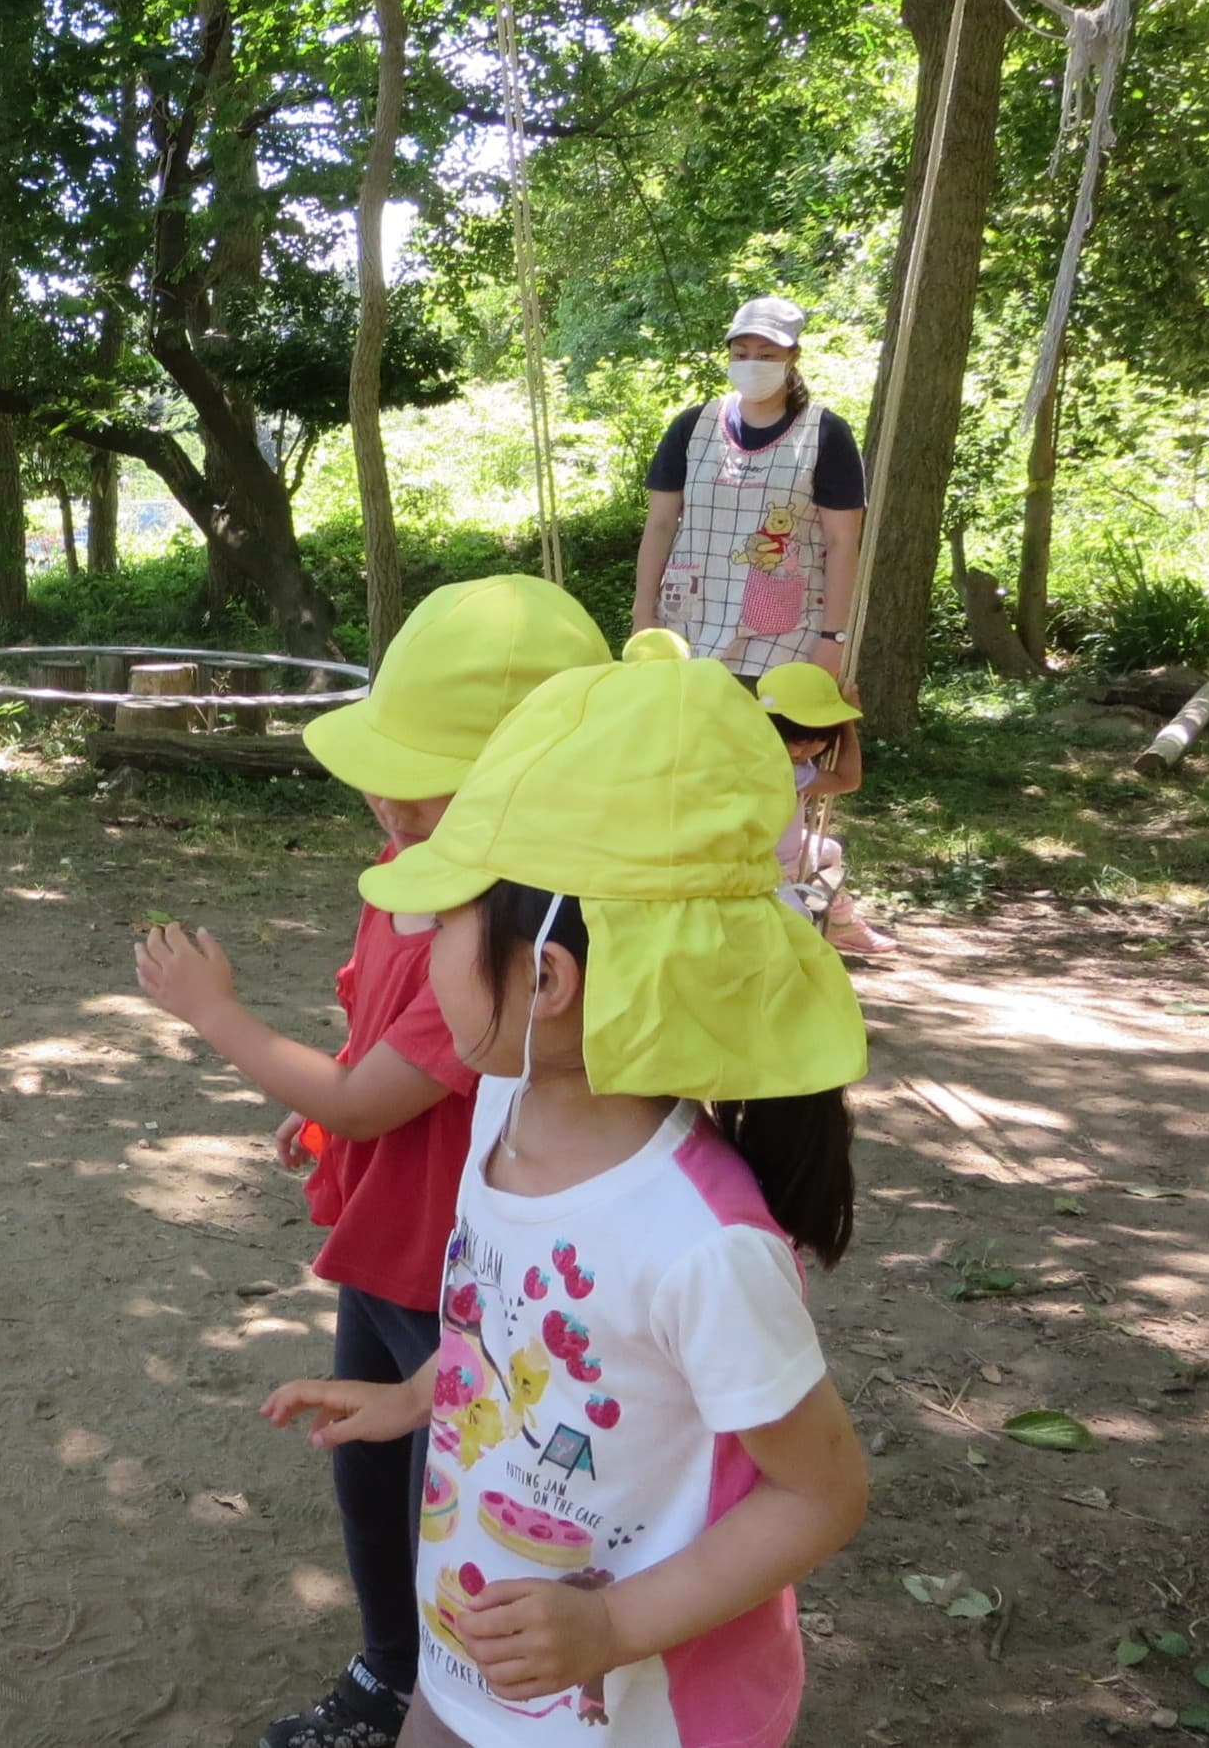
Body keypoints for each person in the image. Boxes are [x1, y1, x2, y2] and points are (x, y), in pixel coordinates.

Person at [265, 631, 872, 1747]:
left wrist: (612, 1625)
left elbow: (819, 1493)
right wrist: (418, 1395)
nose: (421, 946)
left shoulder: (701, 1245)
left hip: (630, 1711)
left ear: (545, 975)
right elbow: (510, 1322)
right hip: (472, 1655)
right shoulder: (501, 1114)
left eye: (444, 921)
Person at [134, 576, 611, 1748]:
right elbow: (363, 1060)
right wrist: (320, 1116)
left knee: (444, 1490)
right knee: (366, 1469)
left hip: (460, 1268)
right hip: (389, 1242)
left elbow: (364, 1094)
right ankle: (389, 1666)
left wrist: (217, 1015)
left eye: (421, 779)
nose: (387, 799)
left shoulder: (505, 950)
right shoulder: (409, 878)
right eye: (381, 767)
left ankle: (447, 1694)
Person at [634, 295, 866, 682]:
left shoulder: (825, 433)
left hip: (783, 639)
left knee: (766, 721)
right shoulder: (692, 427)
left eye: (766, 355)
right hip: (685, 628)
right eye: (741, 354)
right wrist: (643, 614)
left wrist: (835, 638)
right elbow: (660, 524)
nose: (751, 364)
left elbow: (842, 543)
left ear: (793, 357)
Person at [757, 662, 894, 959]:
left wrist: (840, 718)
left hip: (790, 856)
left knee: (829, 850)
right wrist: (848, 722)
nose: (807, 751)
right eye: (798, 741)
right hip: (767, 870)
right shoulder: (774, 766)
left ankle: (840, 923)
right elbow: (847, 780)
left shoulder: (788, 759)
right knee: (797, 928)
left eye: (820, 740)